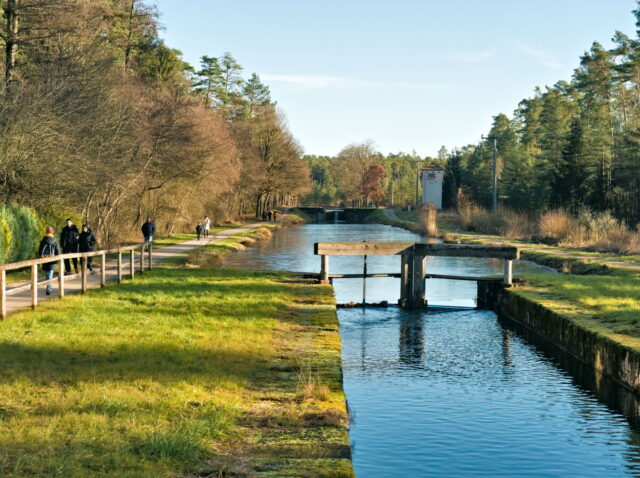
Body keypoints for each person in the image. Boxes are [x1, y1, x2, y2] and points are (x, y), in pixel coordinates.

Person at [39, 227, 60, 295]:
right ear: (52, 232)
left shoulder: (43, 240)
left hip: (44, 259)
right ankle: (48, 288)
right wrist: (57, 258)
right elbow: (57, 251)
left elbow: (40, 251)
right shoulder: (55, 240)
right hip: (52, 259)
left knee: (48, 273)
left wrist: (41, 257)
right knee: (50, 273)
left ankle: (49, 287)